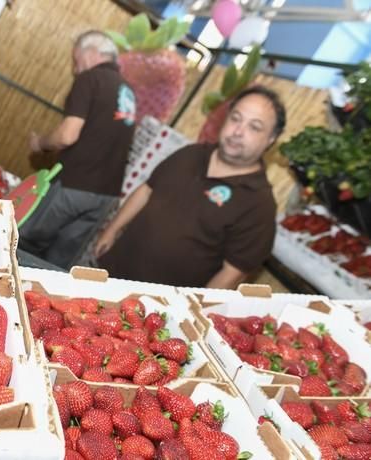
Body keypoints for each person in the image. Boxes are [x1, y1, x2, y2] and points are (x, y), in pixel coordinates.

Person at [95, 86, 286, 289]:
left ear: (270, 139)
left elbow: (232, 274)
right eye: (236, 118)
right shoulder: (190, 154)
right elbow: (147, 190)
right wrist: (112, 229)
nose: (238, 131)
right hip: (111, 272)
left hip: (158, 307)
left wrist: (189, 312)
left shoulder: (259, 206)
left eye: (254, 127)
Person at [18, 30, 136, 269]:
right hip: (106, 195)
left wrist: (40, 143)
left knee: (24, 243)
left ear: (92, 53)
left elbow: (67, 135)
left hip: (75, 185)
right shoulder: (127, 90)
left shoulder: (91, 79)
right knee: (58, 262)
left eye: (76, 60)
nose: (75, 69)